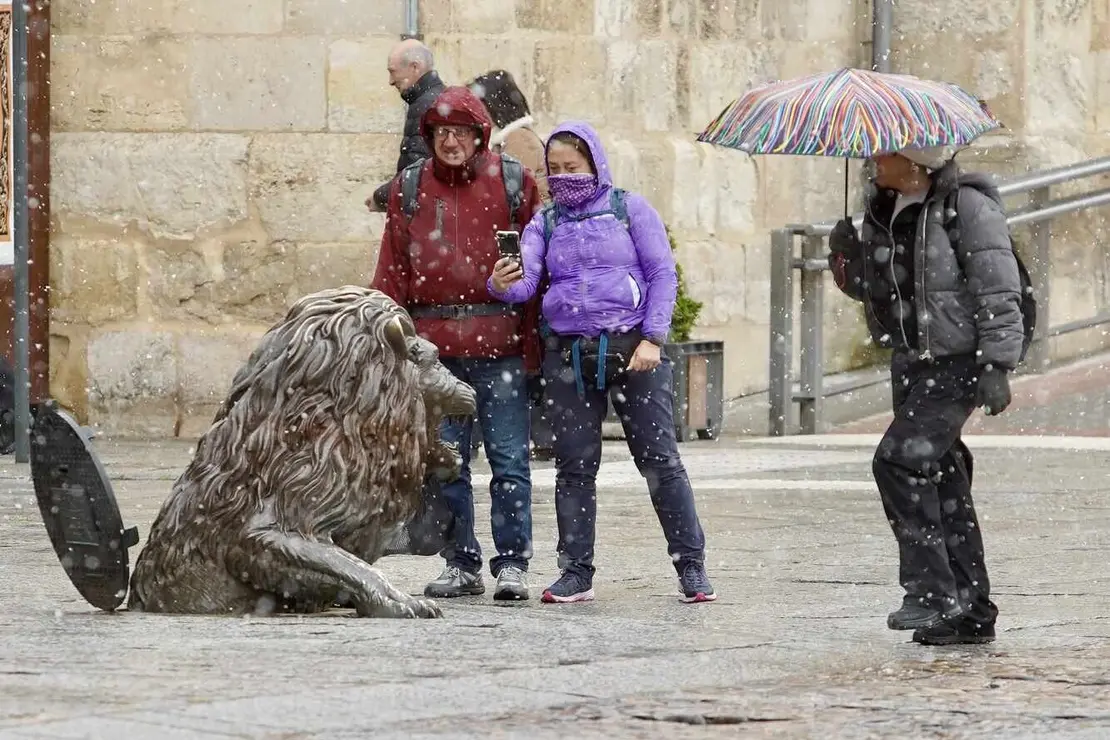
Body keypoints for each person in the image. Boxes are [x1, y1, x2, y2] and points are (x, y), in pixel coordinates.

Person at [487, 120, 717, 605]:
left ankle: (691, 566)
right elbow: (527, 284)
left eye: (573, 167)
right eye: (554, 169)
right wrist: (502, 282)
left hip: (634, 351)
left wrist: (653, 338)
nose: (564, 176)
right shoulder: (545, 222)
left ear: (595, 163)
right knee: (574, 467)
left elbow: (661, 273)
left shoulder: (629, 209)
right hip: (568, 356)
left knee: (660, 462)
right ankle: (575, 572)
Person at [827, 145, 1027, 646]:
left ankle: (932, 591)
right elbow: (882, 289)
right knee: (943, 482)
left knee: (898, 461)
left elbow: (998, 286)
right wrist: (848, 259)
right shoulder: (882, 206)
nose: (874, 159)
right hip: (911, 362)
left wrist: (998, 363)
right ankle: (972, 612)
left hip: (957, 361)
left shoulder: (968, 206)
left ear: (917, 160)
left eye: (885, 153)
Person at [371, 85, 544, 602]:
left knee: (509, 460)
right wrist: (389, 345)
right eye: (442, 132)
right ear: (430, 136)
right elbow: (392, 273)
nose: (451, 141)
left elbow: (535, 268)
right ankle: (460, 561)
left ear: (478, 135)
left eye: (461, 132)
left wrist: (532, 344)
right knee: (445, 461)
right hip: (434, 352)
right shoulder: (408, 189)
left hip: (500, 346)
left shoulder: (514, 182)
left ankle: (512, 563)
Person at [469, 69, 553, 460]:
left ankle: (540, 432)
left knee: (528, 349)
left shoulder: (517, 144)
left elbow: (522, 207)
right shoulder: (518, 140)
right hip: (525, 259)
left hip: (525, 261)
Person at [367, 39, 445, 213]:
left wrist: (380, 198)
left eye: (392, 72)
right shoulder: (433, 99)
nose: (390, 81)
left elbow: (416, 173)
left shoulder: (425, 105)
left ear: (415, 67)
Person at [469, 70, 549, 202]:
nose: (473, 110)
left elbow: (513, 195)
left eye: (477, 103)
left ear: (493, 103)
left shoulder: (518, 139)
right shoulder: (505, 138)